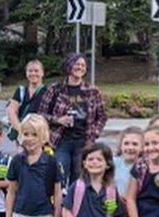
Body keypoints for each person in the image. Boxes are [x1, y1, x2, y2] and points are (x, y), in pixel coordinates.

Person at [38, 53, 107, 187]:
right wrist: (58, 120)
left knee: (79, 181)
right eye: (77, 64)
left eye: (83, 65)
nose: (80, 67)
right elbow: (41, 114)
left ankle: (75, 207)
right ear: (69, 66)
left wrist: (93, 136)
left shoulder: (93, 91)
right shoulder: (55, 89)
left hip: (83, 141)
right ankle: (59, 206)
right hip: (61, 141)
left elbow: (102, 116)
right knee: (59, 178)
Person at [6, 60, 47, 142]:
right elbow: (11, 110)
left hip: (40, 135)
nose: (33, 73)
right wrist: (21, 130)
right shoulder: (21, 91)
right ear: (26, 73)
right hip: (22, 135)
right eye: (30, 71)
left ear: (42, 73)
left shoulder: (48, 91)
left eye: (36, 71)